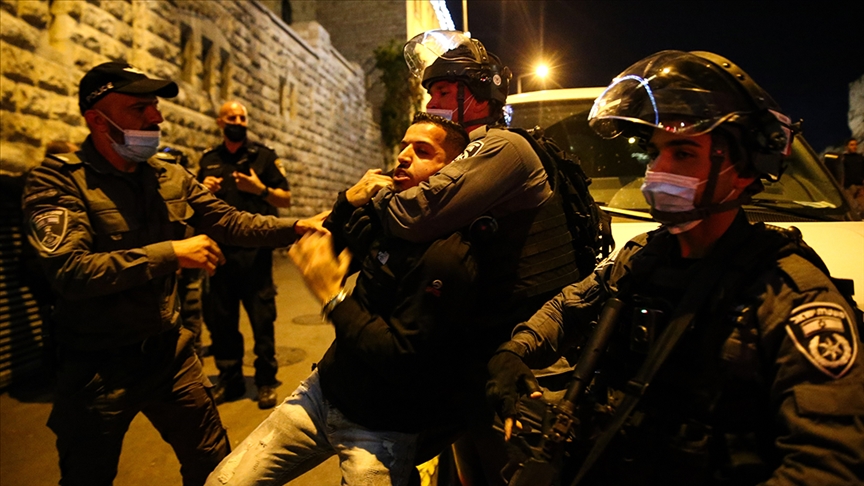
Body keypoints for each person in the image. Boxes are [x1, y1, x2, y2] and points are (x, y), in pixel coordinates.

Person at [486, 50, 864, 485]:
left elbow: (828, 464)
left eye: (683, 153)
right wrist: (515, 353)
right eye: (654, 153)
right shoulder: (643, 257)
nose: (658, 170)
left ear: (742, 170)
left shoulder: (790, 295)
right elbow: (568, 308)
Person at [21, 62, 306, 486]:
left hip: (169, 355)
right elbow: (70, 271)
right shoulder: (58, 181)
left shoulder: (169, 176)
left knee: (216, 467)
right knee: (88, 475)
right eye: (139, 108)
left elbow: (231, 222)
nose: (156, 117)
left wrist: (300, 226)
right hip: (97, 366)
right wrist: (170, 253)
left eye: (155, 105)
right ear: (97, 120)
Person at [375, 30, 602, 484]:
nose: (432, 102)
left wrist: (377, 194)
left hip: (530, 352)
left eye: (443, 92)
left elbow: (413, 216)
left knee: (515, 470)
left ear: (478, 95)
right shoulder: (465, 153)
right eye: (432, 92)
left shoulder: (502, 147)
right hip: (484, 344)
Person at [205, 113, 476, 486]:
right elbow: (322, 249)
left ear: (453, 171)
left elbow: (401, 355)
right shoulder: (390, 219)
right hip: (323, 393)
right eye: (403, 147)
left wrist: (333, 298)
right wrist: (347, 202)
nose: (403, 156)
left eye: (422, 150)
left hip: (383, 427)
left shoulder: (449, 255)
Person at [197, 101, 292, 409]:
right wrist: (203, 189)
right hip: (220, 257)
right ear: (220, 122)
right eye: (232, 117)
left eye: (242, 117)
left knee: (262, 321)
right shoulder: (209, 160)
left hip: (255, 257)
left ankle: (265, 381)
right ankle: (231, 379)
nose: (238, 121)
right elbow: (195, 205)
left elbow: (285, 199)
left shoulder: (264, 156)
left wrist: (259, 189)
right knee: (222, 323)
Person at [840, 137, 864, 210]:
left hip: (860, 187)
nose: (854, 147)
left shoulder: (860, 158)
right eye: (852, 145)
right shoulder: (843, 158)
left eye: (855, 144)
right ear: (846, 146)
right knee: (851, 207)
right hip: (848, 187)